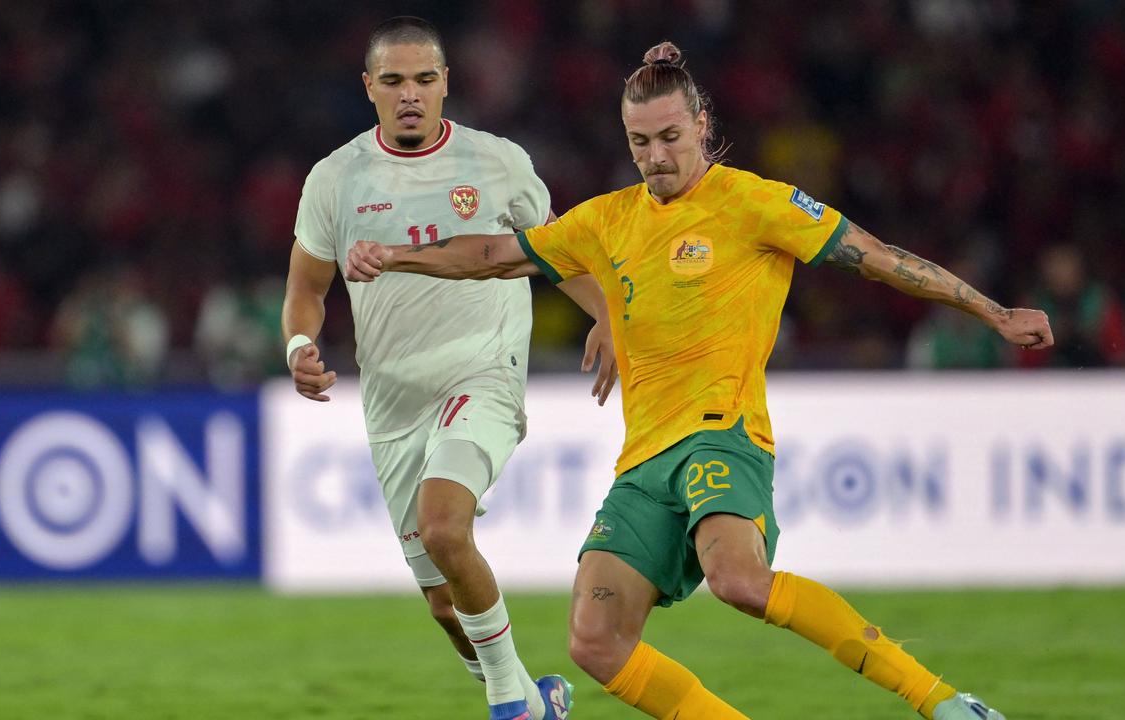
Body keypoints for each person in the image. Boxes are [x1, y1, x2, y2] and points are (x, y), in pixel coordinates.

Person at [344, 41, 1053, 720]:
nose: (656, 157)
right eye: (640, 144)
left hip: (723, 437)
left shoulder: (756, 203)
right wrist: (396, 255)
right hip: (644, 464)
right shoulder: (609, 219)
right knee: (594, 643)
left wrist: (992, 311)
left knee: (739, 582)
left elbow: (877, 256)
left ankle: (943, 701)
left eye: (670, 138)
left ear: (703, 125)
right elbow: (495, 253)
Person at [281, 17, 615, 720]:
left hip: (483, 372)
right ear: (369, 88)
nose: (411, 95)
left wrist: (608, 314)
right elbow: (307, 291)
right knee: (441, 601)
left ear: (445, 86)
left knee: (443, 526)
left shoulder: (496, 162)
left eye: (425, 80)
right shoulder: (335, 180)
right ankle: (534, 697)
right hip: (394, 401)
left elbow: (556, 252)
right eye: (395, 81)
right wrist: (298, 348)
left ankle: (508, 708)